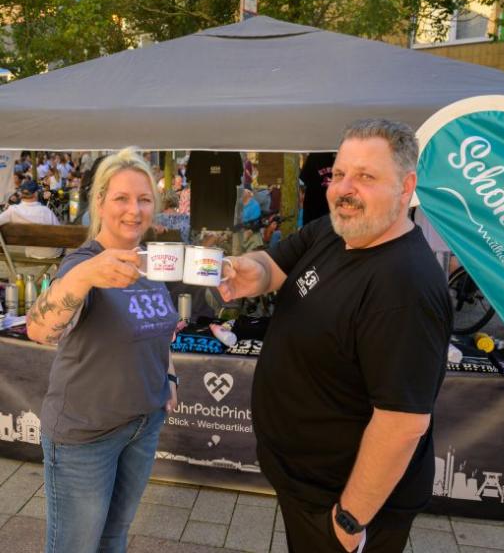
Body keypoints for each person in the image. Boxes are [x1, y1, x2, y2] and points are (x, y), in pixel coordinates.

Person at [218, 119, 452, 553]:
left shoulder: (404, 287)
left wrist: (348, 520)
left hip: (346, 505)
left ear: (406, 187)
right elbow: (275, 265)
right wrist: (252, 271)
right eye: (340, 174)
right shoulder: (337, 229)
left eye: (366, 177)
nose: (345, 189)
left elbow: (401, 425)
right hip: (304, 482)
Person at [26, 148, 180, 553]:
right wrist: (84, 278)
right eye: (122, 198)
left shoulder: (152, 262)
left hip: (142, 426)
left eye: (144, 199)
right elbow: (39, 328)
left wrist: (169, 375)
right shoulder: (82, 264)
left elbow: (159, 329)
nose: (134, 210)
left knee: (114, 539)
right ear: (99, 203)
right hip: (86, 434)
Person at [0, 179, 62, 258]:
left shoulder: (12, 210)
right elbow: (58, 232)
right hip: (51, 252)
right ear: (36, 193)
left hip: (31, 252)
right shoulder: (46, 211)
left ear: (21, 194)